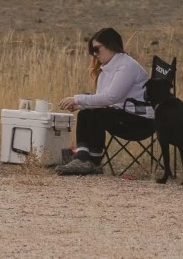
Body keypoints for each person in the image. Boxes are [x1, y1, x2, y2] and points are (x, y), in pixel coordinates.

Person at [54, 27, 153, 176]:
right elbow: (103, 100)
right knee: (85, 113)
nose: (95, 54)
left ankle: (92, 161)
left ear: (111, 45)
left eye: (96, 49)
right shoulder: (107, 69)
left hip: (141, 122)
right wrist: (79, 105)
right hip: (122, 115)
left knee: (96, 115)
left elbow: (111, 98)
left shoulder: (126, 66)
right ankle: (83, 158)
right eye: (92, 51)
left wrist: (77, 98)